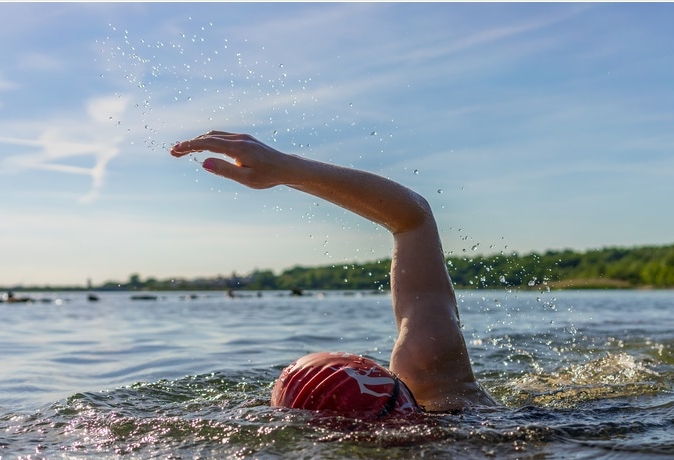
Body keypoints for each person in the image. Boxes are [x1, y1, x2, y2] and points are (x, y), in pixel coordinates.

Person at [171, 131, 498, 415]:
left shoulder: (438, 387)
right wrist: (288, 169)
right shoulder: (442, 387)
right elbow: (414, 219)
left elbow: (413, 221)